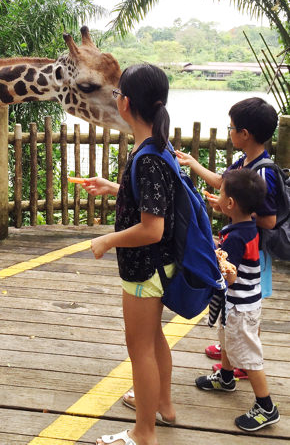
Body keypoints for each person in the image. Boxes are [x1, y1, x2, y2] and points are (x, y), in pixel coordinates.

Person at [82, 63, 177, 445]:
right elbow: (151, 202)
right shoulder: (156, 147)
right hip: (157, 267)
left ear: (126, 104)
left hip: (144, 270)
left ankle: (144, 432)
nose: (116, 98)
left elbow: (152, 228)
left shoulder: (148, 158)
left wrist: (109, 240)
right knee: (153, 340)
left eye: (118, 93)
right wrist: (115, 188)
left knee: (140, 350)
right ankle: (163, 407)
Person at [175, 96, 278, 379]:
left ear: (244, 134)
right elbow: (223, 183)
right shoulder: (243, 161)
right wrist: (193, 163)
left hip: (254, 249)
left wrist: (231, 209)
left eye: (231, 127)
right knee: (235, 302)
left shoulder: (264, 171)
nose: (229, 131)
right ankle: (229, 349)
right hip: (239, 242)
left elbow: (268, 219)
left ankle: (243, 358)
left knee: (248, 304)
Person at [195, 168, 280, 432]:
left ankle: (266, 407)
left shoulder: (235, 237)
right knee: (228, 341)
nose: (218, 197)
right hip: (243, 302)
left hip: (240, 306)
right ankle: (227, 377)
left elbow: (229, 276)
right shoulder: (246, 227)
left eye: (221, 194)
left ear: (230, 204)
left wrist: (213, 259)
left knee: (249, 355)